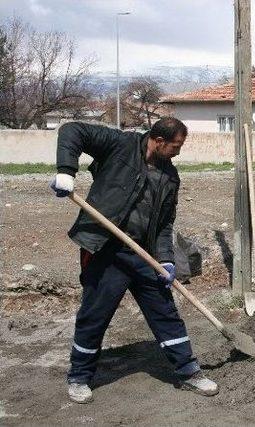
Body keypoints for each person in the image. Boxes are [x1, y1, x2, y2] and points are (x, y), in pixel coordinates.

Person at [50, 118, 218, 403]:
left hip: (144, 254)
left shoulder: (170, 177)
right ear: (159, 141)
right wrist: (66, 171)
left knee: (165, 311)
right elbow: (71, 130)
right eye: (176, 146)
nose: (178, 152)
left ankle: (189, 372)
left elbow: (165, 224)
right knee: (95, 314)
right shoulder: (120, 145)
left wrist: (165, 260)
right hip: (105, 249)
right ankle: (79, 377)